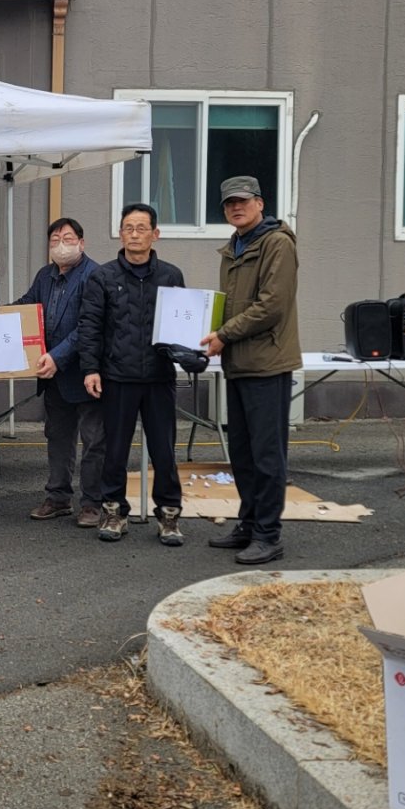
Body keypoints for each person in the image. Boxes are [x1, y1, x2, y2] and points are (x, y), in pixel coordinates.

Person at [201, 176, 300, 566]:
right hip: (239, 363)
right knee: (242, 454)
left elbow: (272, 305)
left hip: (267, 363)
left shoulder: (277, 244)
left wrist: (223, 334)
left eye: (243, 201)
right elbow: (229, 306)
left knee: (267, 455)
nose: (236, 208)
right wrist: (209, 333)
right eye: (229, 203)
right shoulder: (233, 248)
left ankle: (268, 534)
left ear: (260, 203)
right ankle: (248, 522)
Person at [78, 203, 186, 545]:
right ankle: (114, 512)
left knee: (164, 451)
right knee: (114, 451)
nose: (135, 234)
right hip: (117, 376)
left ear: (155, 234)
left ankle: (169, 515)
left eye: (141, 228)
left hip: (159, 377)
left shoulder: (171, 276)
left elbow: (182, 322)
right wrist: (90, 369)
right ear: (120, 234)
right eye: (128, 228)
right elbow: (90, 326)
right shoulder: (103, 276)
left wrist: (189, 353)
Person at [16, 218, 108, 529]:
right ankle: (57, 497)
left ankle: (92, 503)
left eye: (67, 238)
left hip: (87, 372)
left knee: (94, 441)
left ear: (82, 242)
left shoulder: (94, 275)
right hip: (53, 375)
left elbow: (89, 325)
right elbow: (27, 307)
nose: (61, 245)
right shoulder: (45, 275)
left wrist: (58, 356)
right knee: (57, 437)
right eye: (54, 240)